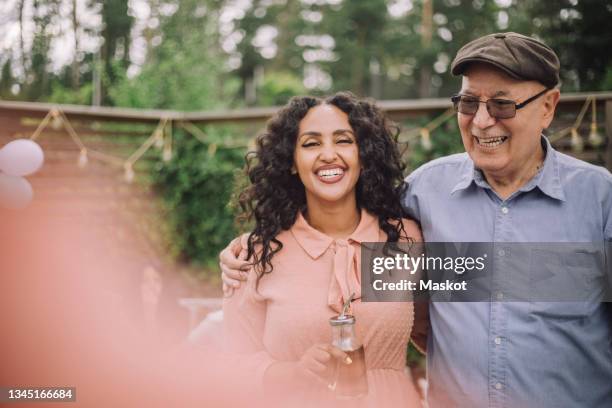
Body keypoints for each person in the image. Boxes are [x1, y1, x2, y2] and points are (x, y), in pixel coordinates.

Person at [221, 32, 612, 407]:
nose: (481, 121)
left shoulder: (600, 200)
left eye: (503, 105)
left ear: (548, 107)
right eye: (469, 103)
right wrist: (247, 251)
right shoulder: (424, 197)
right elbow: (416, 316)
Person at [222, 92, 424, 407]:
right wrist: (290, 374)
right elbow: (230, 362)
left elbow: (450, 325)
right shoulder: (255, 254)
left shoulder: (403, 238)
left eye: (343, 140)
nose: (328, 154)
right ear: (290, 162)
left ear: (363, 154)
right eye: (311, 144)